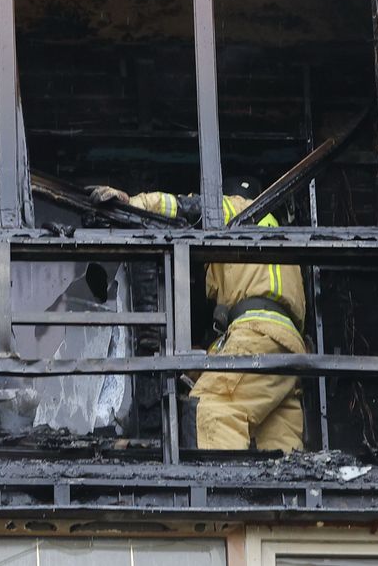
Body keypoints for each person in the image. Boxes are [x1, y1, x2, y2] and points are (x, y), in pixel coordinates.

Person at [87, 186, 306, 452]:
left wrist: (132, 203)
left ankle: (219, 492)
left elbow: (178, 207)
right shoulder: (284, 242)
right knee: (276, 445)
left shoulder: (239, 208)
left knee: (212, 410)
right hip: (289, 348)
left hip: (257, 331)